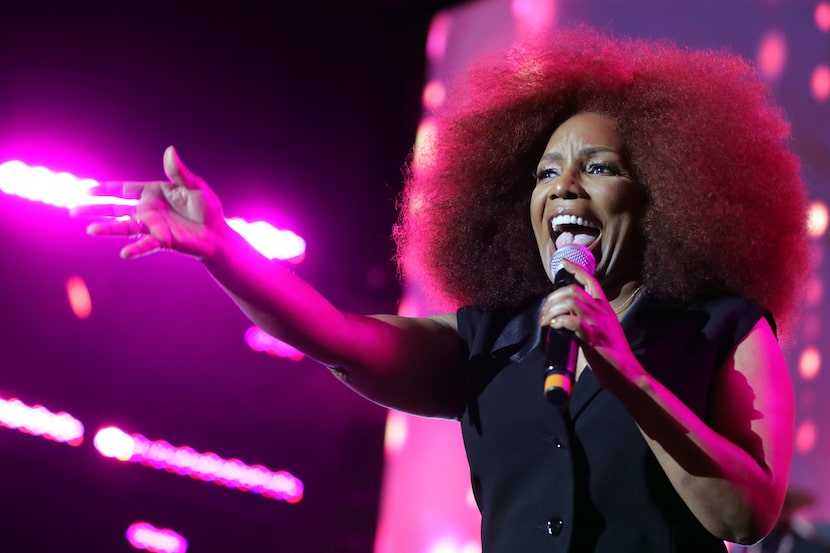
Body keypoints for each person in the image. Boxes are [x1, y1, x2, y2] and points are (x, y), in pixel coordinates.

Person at [80, 27, 809, 553]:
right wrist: (223, 251)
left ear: (665, 199)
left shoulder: (722, 330)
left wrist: (627, 375)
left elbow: (745, 516)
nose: (563, 189)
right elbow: (335, 336)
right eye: (546, 172)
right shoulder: (493, 340)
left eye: (599, 168)